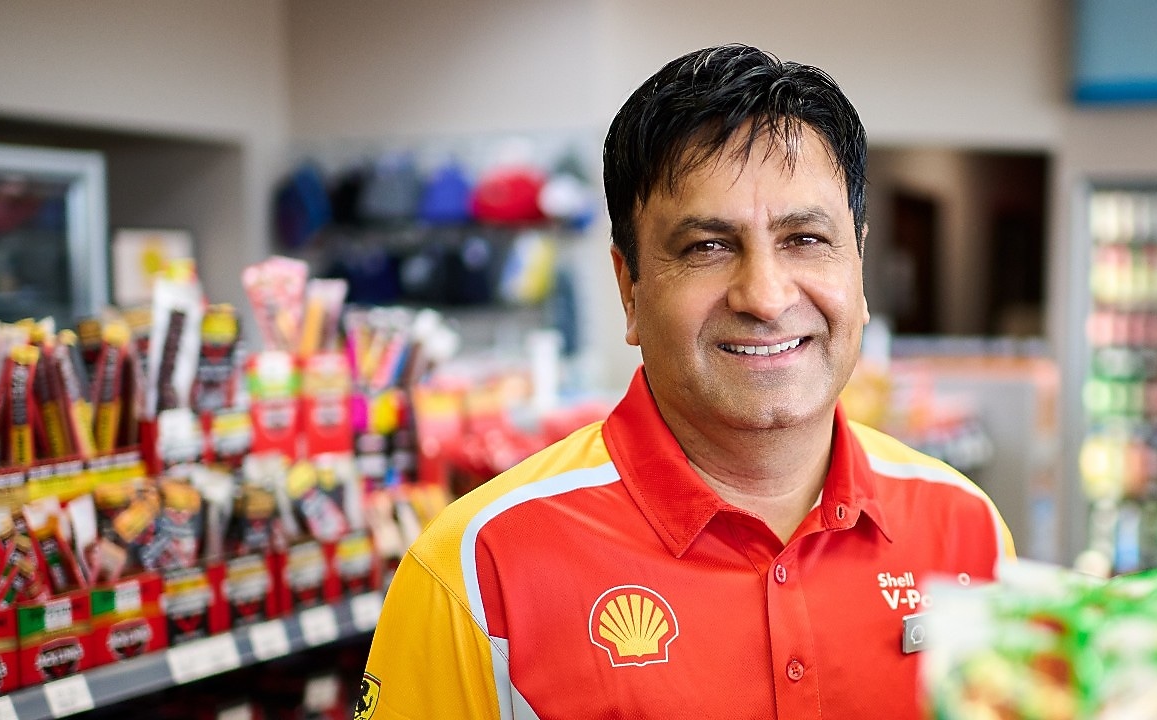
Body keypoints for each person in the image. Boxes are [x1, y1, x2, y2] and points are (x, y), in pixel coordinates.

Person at [356, 43, 1015, 719]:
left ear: (859, 263)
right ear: (629, 290)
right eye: (707, 247)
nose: (763, 295)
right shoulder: (475, 572)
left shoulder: (966, 529)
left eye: (806, 240)